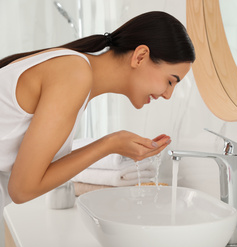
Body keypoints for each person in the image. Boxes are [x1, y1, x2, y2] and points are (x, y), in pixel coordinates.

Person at [0, 11, 195, 217]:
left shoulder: (75, 69)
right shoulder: (74, 74)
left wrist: (112, 144)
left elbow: (30, 177)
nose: (168, 94)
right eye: (170, 81)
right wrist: (110, 144)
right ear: (140, 57)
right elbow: (22, 189)